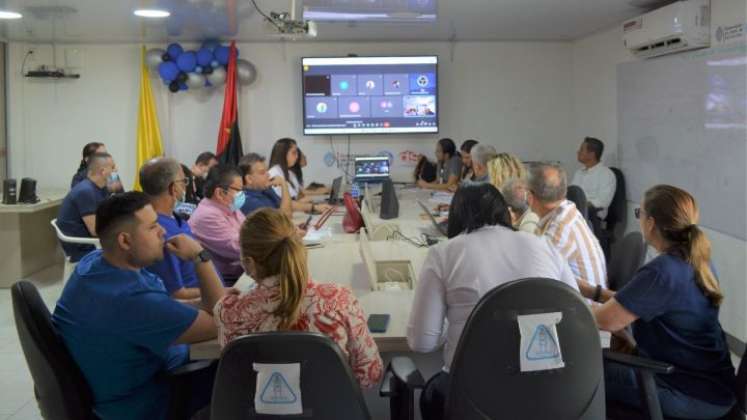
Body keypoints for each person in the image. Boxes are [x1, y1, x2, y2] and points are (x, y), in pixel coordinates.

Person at [407, 183, 579, 420]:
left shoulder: (444, 253)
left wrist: (458, 324)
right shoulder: (544, 246)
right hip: (546, 391)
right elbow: (576, 314)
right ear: (504, 212)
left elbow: (422, 342)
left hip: (472, 394)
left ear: (455, 216)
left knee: (432, 393)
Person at [52, 192, 226, 420]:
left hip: (117, 389)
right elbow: (221, 321)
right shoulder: (131, 299)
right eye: (153, 227)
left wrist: (198, 303)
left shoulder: (95, 264)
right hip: (149, 403)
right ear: (125, 241)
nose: (162, 231)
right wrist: (200, 256)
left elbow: (160, 309)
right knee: (242, 373)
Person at [583, 185, 736, 419]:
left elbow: (605, 320)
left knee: (582, 373)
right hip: (714, 388)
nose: (640, 220)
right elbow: (635, 302)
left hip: (683, 392)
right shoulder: (697, 260)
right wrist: (592, 291)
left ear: (651, 222)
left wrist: (566, 306)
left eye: (639, 214)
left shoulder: (661, 271)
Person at [215, 208, 384, 388]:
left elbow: (238, 378)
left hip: (258, 414)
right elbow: (369, 376)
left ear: (249, 263)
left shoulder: (228, 311)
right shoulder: (339, 300)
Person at [141, 158, 224, 300]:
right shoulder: (159, 232)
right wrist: (221, 290)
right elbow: (177, 294)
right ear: (173, 188)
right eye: (183, 182)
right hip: (202, 303)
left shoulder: (174, 218)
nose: (186, 186)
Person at [528, 162, 607, 288]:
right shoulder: (566, 210)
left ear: (530, 197)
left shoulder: (559, 229)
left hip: (584, 305)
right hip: (577, 298)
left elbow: (536, 278)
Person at [189, 164, 246, 286]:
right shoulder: (207, 216)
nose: (242, 194)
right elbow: (242, 247)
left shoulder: (230, 207)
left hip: (242, 271)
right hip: (226, 281)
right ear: (220, 192)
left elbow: (251, 230)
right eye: (239, 190)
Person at [57, 153, 116, 262]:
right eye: (112, 167)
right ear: (103, 172)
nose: (116, 170)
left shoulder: (99, 188)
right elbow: (95, 230)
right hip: (82, 247)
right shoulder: (86, 191)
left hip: (89, 241)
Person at [571, 137, 616, 219]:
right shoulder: (579, 172)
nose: (578, 152)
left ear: (591, 154)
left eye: (581, 150)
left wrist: (580, 205)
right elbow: (571, 194)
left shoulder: (606, 174)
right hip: (575, 212)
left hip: (592, 216)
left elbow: (603, 202)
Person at [238, 153, 292, 218]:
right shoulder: (247, 201)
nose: (268, 175)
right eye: (262, 172)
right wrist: (284, 184)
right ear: (249, 179)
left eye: (267, 171)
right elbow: (285, 216)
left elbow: (286, 208)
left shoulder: (265, 189)